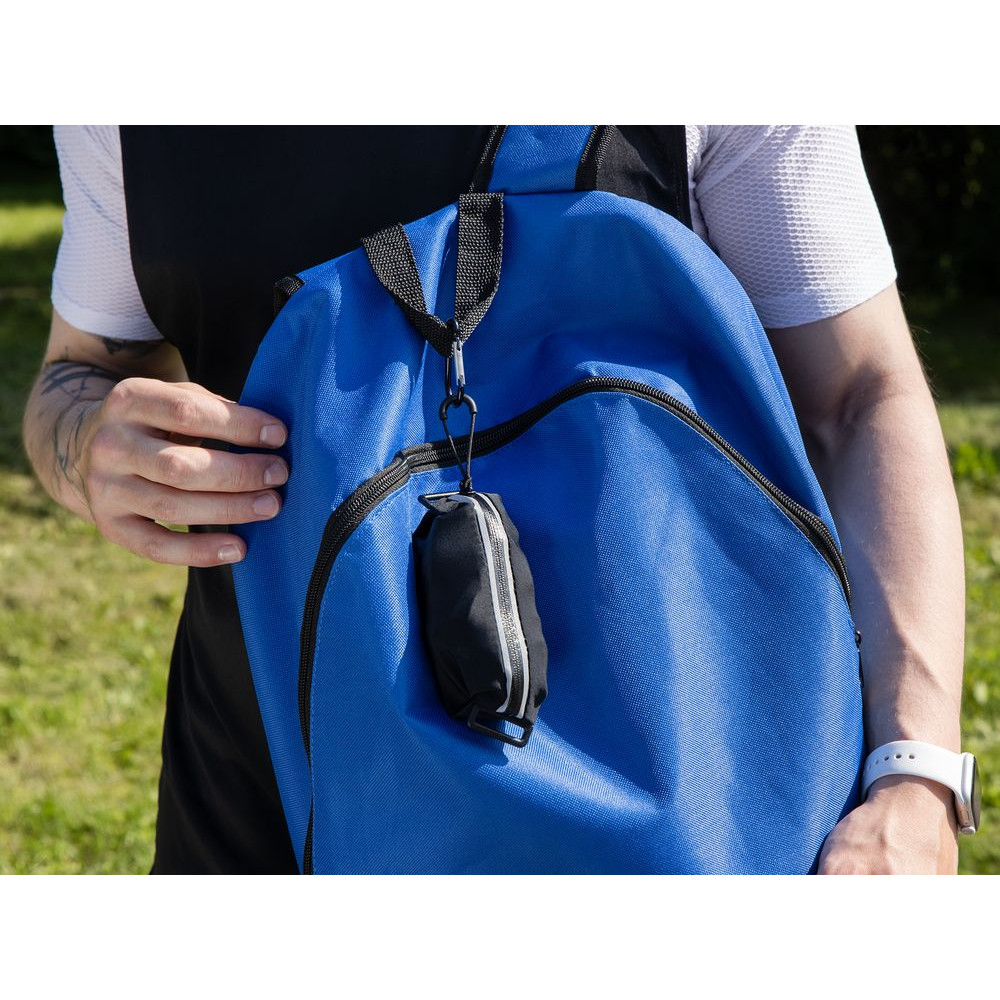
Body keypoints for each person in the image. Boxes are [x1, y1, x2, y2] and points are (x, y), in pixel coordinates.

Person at [23, 126, 967, 873]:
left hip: (681, 789)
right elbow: (78, 370)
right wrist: (85, 445)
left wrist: (916, 773)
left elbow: (860, 396)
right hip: (263, 780)